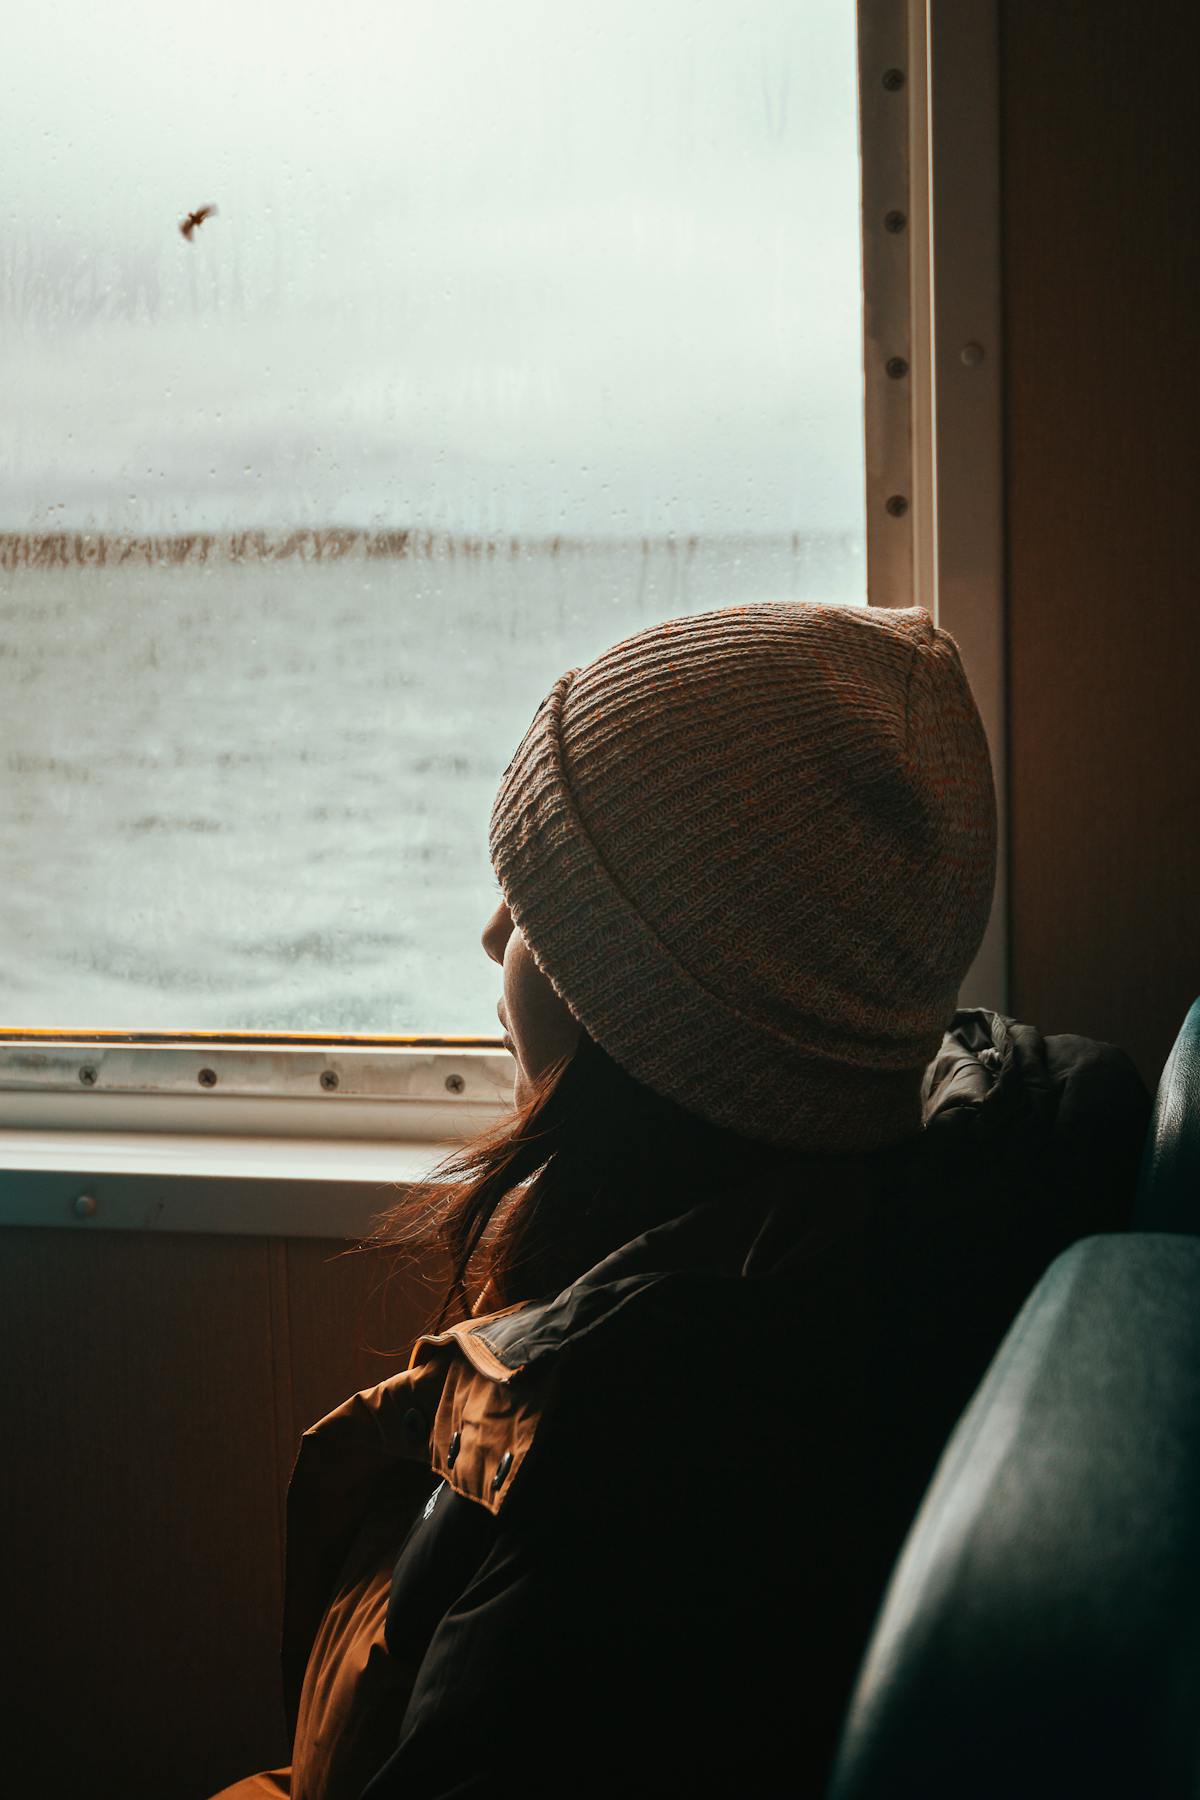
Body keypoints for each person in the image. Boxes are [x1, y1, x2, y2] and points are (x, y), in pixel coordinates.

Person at [212, 601, 1149, 1800]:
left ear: (653, 1016)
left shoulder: (632, 1484)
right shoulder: (894, 1214)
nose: (492, 932)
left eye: (541, 911)